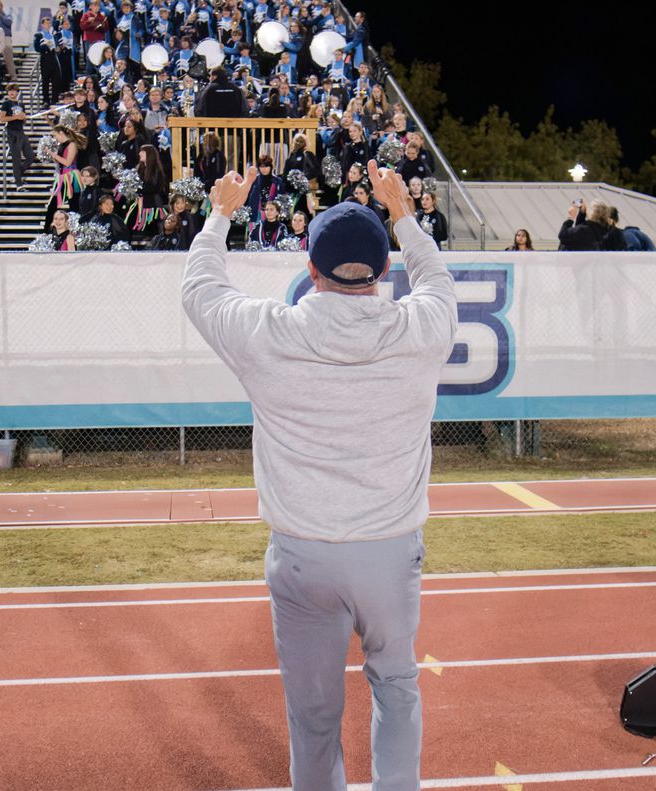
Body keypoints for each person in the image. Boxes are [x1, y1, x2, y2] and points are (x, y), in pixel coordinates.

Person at [181, 165, 456, 791]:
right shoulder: (420, 329)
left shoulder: (271, 334)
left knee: (312, 718)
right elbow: (438, 280)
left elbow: (199, 289)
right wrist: (405, 216)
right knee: (397, 687)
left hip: (304, 553)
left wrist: (219, 216)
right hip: (389, 551)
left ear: (311, 271)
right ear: (384, 272)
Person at [45, 125, 85, 231]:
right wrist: (53, 157)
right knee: (52, 205)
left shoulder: (72, 145)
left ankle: (75, 230)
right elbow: (60, 163)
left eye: (55, 135)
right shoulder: (61, 145)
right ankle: (47, 230)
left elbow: (68, 162)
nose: (55, 138)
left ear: (61, 133)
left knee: (74, 206)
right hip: (62, 178)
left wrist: (53, 155)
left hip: (72, 178)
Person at [0, 84, 35, 188]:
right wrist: (16, 117)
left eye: (14, 91)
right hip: (11, 131)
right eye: (10, 91)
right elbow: (2, 119)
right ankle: (18, 183)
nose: (12, 93)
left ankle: (17, 174)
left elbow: (23, 121)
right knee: (16, 157)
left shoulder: (21, 104)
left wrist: (24, 118)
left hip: (21, 131)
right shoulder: (5, 104)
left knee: (30, 156)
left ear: (17, 92)